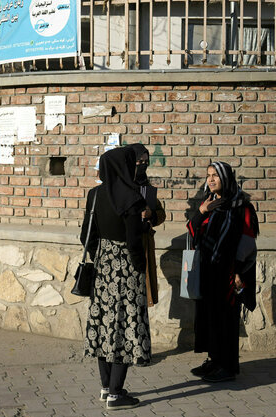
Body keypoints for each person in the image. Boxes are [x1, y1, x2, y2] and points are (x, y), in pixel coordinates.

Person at [81, 146, 151, 410]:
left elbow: (85, 235)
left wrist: (100, 255)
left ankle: (105, 387)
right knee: (124, 327)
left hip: (102, 267)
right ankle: (116, 394)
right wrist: (139, 267)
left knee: (104, 324)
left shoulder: (95, 195)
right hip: (126, 270)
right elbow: (134, 240)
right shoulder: (131, 198)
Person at [186, 161, 259, 383]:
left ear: (226, 178)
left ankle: (227, 367)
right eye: (208, 175)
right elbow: (192, 230)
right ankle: (215, 360)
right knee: (210, 317)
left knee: (226, 319)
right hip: (208, 271)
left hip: (228, 273)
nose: (210, 179)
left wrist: (238, 272)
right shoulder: (210, 204)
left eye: (215, 175)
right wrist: (200, 211)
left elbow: (247, 241)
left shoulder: (241, 206)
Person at [126, 143, 166, 306]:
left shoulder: (147, 188)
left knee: (142, 293)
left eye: (145, 162)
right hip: (127, 244)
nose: (142, 165)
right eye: (139, 162)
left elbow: (161, 214)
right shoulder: (123, 187)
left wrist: (151, 215)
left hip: (144, 244)